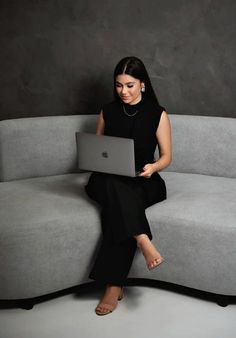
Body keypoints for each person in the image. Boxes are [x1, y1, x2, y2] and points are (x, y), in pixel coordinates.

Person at [85, 56, 172, 315]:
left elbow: (166, 156)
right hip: (108, 178)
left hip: (143, 179)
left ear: (142, 84)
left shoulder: (157, 113)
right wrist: (95, 159)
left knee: (120, 204)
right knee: (115, 187)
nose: (124, 91)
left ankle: (114, 285)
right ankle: (141, 238)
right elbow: (96, 148)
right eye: (119, 85)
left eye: (130, 85)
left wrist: (153, 167)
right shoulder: (107, 110)